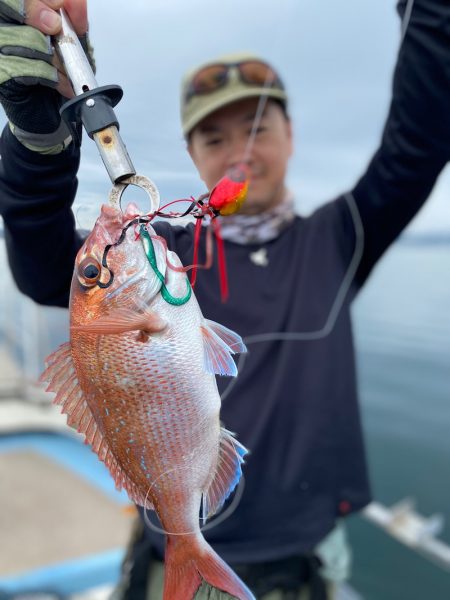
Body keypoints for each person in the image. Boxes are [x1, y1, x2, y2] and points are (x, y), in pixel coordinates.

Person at [0, 0, 449, 598]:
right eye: (214, 135)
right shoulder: (165, 253)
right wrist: (40, 140)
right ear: (192, 153)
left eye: (257, 128)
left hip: (304, 554)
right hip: (172, 544)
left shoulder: (340, 236)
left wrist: (432, 18)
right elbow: (40, 264)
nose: (239, 150)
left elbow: (417, 144)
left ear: (291, 136)